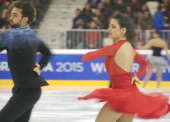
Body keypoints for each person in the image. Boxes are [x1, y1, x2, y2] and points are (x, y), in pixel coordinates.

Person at [78, 13, 170, 122]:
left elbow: (85, 57)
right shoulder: (131, 48)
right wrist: (136, 76)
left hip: (121, 97)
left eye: (113, 26)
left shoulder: (112, 48)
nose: (109, 29)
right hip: (131, 95)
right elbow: (145, 63)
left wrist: (103, 50)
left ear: (123, 30)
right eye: (109, 26)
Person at [0, 1, 51, 122]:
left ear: (25, 19)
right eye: (11, 14)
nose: (10, 18)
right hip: (28, 91)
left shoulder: (9, 35)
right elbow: (47, 52)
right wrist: (40, 66)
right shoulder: (32, 35)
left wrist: (40, 65)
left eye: (15, 15)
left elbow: (47, 52)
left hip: (26, 92)